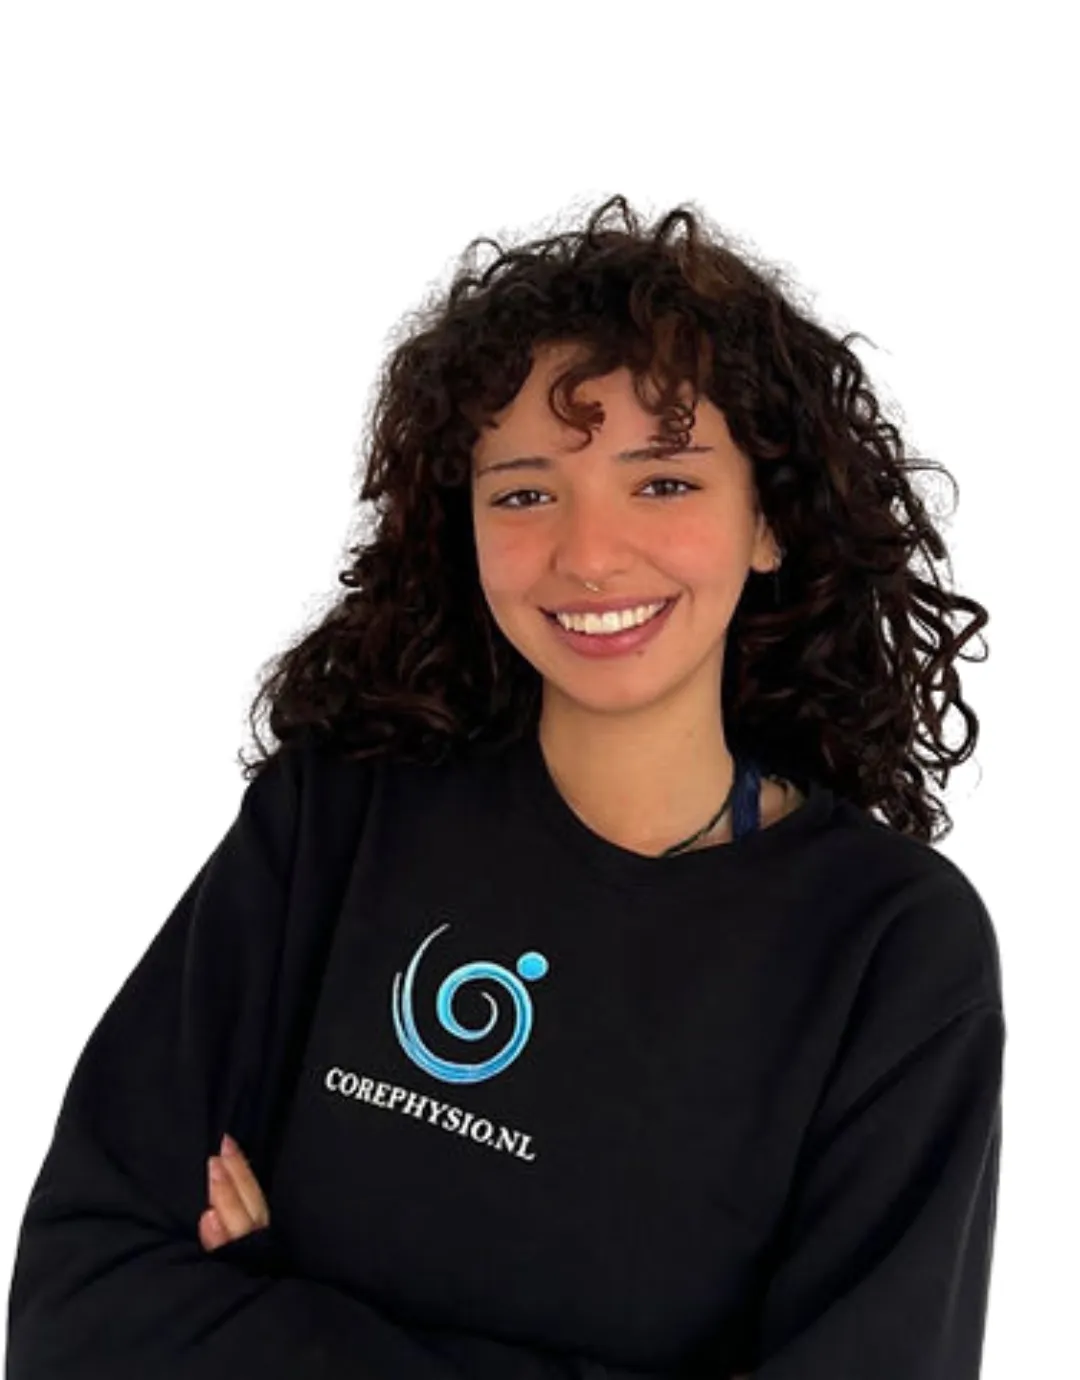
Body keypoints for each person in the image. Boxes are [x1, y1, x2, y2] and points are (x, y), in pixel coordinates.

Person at [5, 195, 1004, 1379]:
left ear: (769, 521)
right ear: (464, 526)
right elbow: (75, 1309)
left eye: (664, 483)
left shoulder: (888, 950)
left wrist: (274, 1311)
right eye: (525, 493)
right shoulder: (338, 821)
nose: (590, 555)